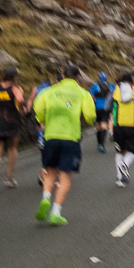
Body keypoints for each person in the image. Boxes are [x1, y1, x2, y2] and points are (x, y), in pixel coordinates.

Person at [32, 64, 95, 225]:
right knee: (65, 176)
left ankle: (45, 197)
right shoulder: (83, 93)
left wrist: (42, 120)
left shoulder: (50, 91)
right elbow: (90, 115)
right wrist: (86, 119)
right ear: (78, 77)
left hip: (51, 135)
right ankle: (56, 212)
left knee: (50, 172)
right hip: (70, 137)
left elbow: (38, 108)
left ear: (62, 75)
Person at [0, 67, 25, 191]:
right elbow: (20, 99)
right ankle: (9, 178)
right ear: (14, 77)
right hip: (12, 121)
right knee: (12, 148)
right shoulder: (15, 88)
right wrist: (22, 108)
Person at [111, 72, 134, 186]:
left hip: (118, 126)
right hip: (133, 126)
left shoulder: (115, 91)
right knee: (132, 150)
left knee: (119, 151)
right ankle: (125, 165)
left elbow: (107, 106)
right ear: (132, 83)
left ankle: (119, 177)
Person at [89, 71, 113, 154]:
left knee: (98, 125)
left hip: (96, 108)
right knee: (104, 125)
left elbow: (91, 96)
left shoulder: (95, 86)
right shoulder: (111, 86)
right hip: (106, 107)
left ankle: (99, 143)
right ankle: (102, 144)